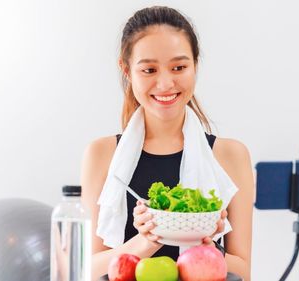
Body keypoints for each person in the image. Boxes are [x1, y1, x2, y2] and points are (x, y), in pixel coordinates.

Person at [81, 6, 254, 280]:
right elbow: (87, 269)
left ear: (195, 64)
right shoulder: (102, 155)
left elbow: (244, 270)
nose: (165, 83)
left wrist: (204, 243)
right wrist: (147, 240)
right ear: (126, 70)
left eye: (179, 67)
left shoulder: (231, 155)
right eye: (149, 69)